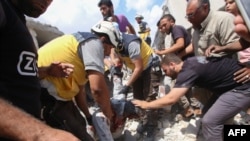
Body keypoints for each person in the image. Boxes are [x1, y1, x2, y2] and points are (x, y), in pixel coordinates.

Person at [0, 0, 80, 140]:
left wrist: (47, 71)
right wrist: (40, 133)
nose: (47, 2)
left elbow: (14, 73)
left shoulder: (18, 19)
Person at [132, 53, 250, 141]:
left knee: (210, 122)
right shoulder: (190, 62)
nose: (165, 74)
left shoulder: (187, 71)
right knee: (207, 112)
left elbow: (171, 99)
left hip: (241, 88)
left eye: (165, 70)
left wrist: (146, 104)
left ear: (172, 65)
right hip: (228, 88)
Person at [38, 21, 122, 140]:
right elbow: (97, 90)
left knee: (81, 125)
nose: (108, 53)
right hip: (45, 96)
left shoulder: (81, 51)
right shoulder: (94, 42)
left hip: (58, 98)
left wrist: (88, 117)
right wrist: (109, 116)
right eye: (110, 47)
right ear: (103, 39)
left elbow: (80, 92)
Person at [179, 0, 241, 115]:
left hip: (226, 82)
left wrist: (220, 50)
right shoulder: (195, 29)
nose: (188, 19)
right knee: (212, 116)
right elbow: (195, 46)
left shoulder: (223, 19)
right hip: (207, 84)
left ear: (205, 8)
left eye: (191, 15)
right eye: (187, 16)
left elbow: (240, 45)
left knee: (217, 120)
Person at [112, 31, 162, 140]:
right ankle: (145, 121)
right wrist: (116, 67)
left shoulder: (131, 43)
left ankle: (152, 126)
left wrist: (126, 86)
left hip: (149, 66)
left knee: (150, 98)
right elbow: (118, 59)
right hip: (137, 69)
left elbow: (139, 67)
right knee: (138, 98)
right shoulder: (115, 45)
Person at [155, 14, 199, 118]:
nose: (163, 28)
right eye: (161, 27)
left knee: (176, 86)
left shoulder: (176, 29)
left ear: (172, 22)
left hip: (188, 63)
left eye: (164, 25)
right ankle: (193, 109)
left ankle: (191, 109)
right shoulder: (172, 33)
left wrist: (164, 52)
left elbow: (180, 44)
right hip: (186, 63)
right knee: (185, 88)